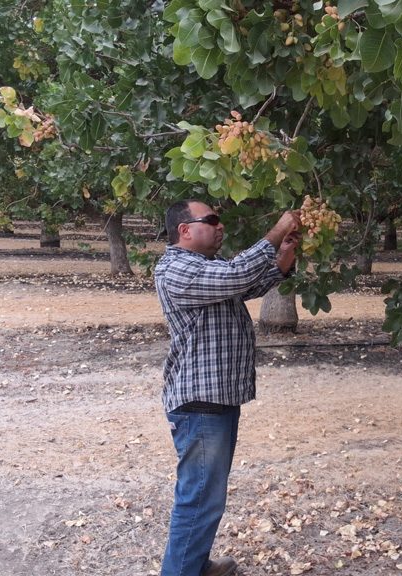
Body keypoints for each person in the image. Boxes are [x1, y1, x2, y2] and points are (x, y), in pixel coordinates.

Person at [155, 199, 301, 576]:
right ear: (184, 229)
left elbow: (245, 284)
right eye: (212, 220)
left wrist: (283, 257)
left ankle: (194, 564)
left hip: (216, 398)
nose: (220, 227)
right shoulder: (176, 268)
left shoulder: (207, 268)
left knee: (207, 496)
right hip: (200, 403)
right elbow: (237, 275)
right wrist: (277, 230)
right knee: (199, 498)